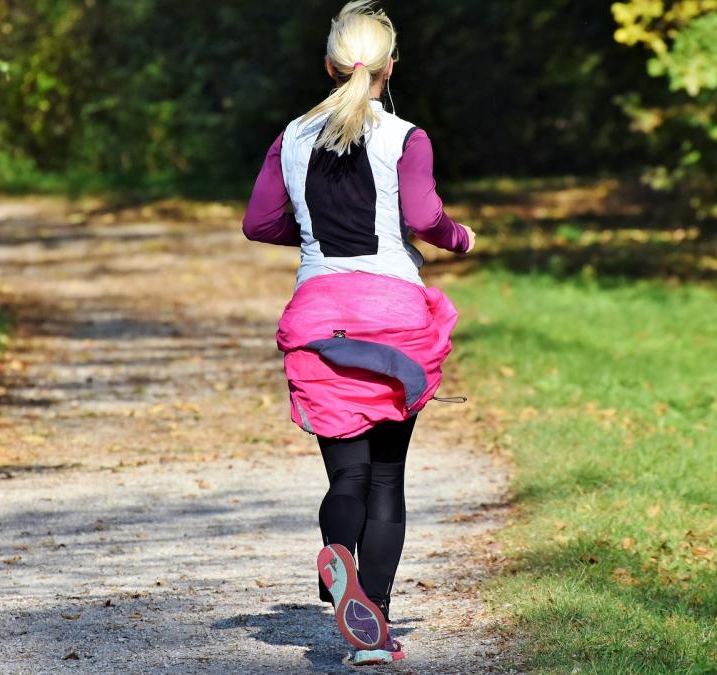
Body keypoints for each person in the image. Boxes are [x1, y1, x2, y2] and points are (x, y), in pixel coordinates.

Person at [241, 1, 475, 666]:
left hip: (321, 317)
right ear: (390, 66)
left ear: (329, 63)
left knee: (348, 475)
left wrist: (312, 232)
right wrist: (459, 238)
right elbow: (426, 216)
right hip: (395, 317)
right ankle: (376, 622)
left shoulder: (289, 137)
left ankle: (336, 554)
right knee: (387, 479)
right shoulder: (405, 137)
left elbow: (259, 224)